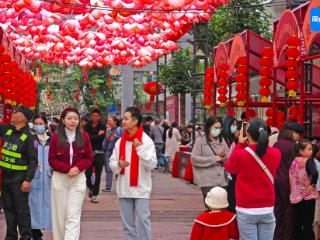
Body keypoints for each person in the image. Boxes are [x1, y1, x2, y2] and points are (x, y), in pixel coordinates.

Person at [225, 118, 281, 240]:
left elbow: (229, 167)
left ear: (247, 134)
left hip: (246, 208)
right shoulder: (276, 153)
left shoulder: (241, 154)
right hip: (267, 207)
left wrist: (240, 144)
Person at [109, 107, 157, 240]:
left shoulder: (146, 141)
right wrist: (118, 165)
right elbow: (112, 162)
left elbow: (153, 164)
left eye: (126, 118)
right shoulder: (120, 142)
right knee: (128, 226)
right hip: (124, 188)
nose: (123, 121)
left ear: (135, 121)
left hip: (141, 189)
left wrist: (140, 149)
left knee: (143, 222)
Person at [49, 107, 93, 240]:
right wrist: (67, 169)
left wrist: (77, 168)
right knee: (60, 217)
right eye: (69, 118)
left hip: (78, 179)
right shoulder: (56, 138)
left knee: (73, 215)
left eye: (75, 118)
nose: (73, 121)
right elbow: (51, 160)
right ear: (63, 120)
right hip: (60, 179)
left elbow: (89, 157)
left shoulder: (84, 137)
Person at [0, 105, 37, 240]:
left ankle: (26, 237)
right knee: (9, 211)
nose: (12, 114)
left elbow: (33, 161)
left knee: (22, 212)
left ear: (22, 118)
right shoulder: (7, 130)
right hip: (6, 179)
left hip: (19, 180)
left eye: (15, 112)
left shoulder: (28, 137)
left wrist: (28, 180)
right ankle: (11, 237)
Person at [273, 120, 304, 240]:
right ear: (291, 132)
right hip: (289, 183)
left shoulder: (277, 144)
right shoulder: (294, 146)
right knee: (289, 211)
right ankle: (287, 236)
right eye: (297, 133)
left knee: (278, 209)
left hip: (277, 180)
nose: (298, 136)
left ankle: (277, 235)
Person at [191, 117, 229, 211]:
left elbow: (229, 156)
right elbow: (194, 159)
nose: (218, 130)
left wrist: (223, 156)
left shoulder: (222, 140)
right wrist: (213, 159)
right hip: (207, 180)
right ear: (209, 128)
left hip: (222, 180)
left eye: (220, 128)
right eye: (215, 127)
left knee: (221, 207)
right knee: (210, 207)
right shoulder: (200, 141)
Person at [29, 113, 51, 240]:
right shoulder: (30, 140)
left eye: (41, 124)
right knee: (33, 205)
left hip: (48, 178)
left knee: (48, 204)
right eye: (36, 124)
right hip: (34, 178)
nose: (38, 126)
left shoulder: (52, 140)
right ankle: (35, 232)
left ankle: (44, 227)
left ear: (46, 125)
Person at [289, 139, 318, 240]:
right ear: (301, 151)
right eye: (309, 149)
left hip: (295, 196)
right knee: (307, 225)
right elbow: (314, 173)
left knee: (297, 222)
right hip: (307, 196)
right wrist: (312, 184)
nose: (311, 151)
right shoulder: (308, 161)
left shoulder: (294, 161)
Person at [84, 108, 105, 203]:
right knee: (87, 173)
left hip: (99, 153)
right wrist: (97, 135)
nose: (94, 117)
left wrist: (92, 136)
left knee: (98, 175)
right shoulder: (87, 126)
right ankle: (91, 187)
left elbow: (101, 139)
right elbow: (86, 138)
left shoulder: (102, 126)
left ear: (99, 117)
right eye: (93, 115)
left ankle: (95, 195)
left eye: (96, 116)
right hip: (88, 154)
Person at [102, 116, 124, 192]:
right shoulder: (108, 130)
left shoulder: (120, 129)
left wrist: (116, 137)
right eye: (108, 121)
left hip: (118, 152)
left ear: (115, 121)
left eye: (110, 120)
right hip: (109, 152)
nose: (108, 122)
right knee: (108, 169)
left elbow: (124, 140)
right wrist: (103, 150)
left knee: (119, 169)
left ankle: (120, 185)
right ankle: (108, 186)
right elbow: (106, 141)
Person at [222, 115, 239, 213]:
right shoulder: (222, 138)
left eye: (236, 125)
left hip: (232, 172)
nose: (235, 127)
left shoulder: (233, 139)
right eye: (233, 125)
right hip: (224, 172)